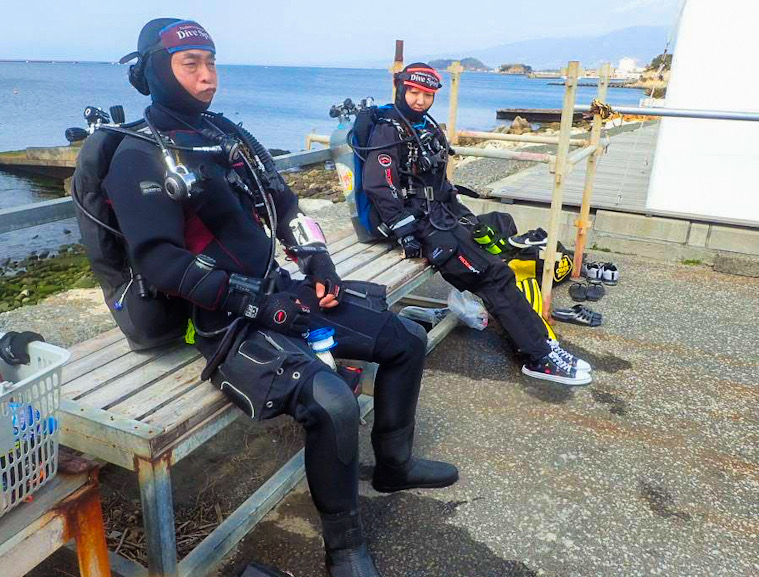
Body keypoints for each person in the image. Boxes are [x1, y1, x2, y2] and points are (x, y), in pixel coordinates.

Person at [104, 19, 458, 577]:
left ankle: (394, 465)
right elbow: (159, 260)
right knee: (332, 404)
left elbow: (287, 207)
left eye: (211, 62)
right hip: (219, 321)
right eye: (190, 64)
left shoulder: (228, 135)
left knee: (406, 340)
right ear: (151, 72)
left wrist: (316, 260)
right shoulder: (138, 155)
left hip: (278, 291)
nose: (207, 76)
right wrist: (254, 304)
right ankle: (344, 551)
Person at [360, 62, 592, 386]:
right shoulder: (389, 130)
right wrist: (405, 232)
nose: (419, 100)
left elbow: (436, 181)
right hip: (420, 227)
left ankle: (544, 344)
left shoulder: (423, 125)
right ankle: (539, 355)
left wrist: (462, 215)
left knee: (500, 229)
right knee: (494, 275)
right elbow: (379, 186)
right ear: (400, 88)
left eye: (426, 94)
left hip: (440, 216)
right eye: (413, 92)